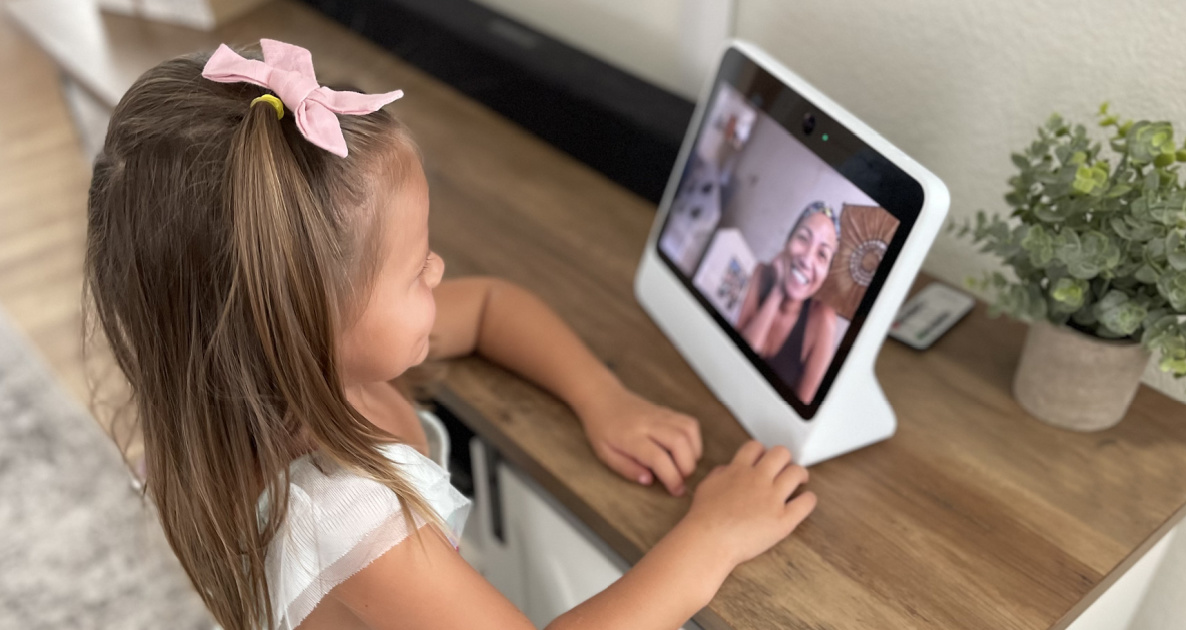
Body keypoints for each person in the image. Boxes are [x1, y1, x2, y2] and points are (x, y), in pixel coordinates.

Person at [84, 40, 817, 630]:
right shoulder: (340, 512)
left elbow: (493, 306)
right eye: (413, 272)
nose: (438, 270)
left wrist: (604, 397)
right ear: (299, 325)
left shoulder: (286, 377)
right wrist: (710, 539)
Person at [737, 201, 841, 404]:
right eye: (803, 238)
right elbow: (737, 363)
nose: (807, 259)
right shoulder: (760, 274)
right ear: (787, 242)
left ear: (826, 273)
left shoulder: (823, 321)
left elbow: (800, 411)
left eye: (822, 254)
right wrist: (778, 291)